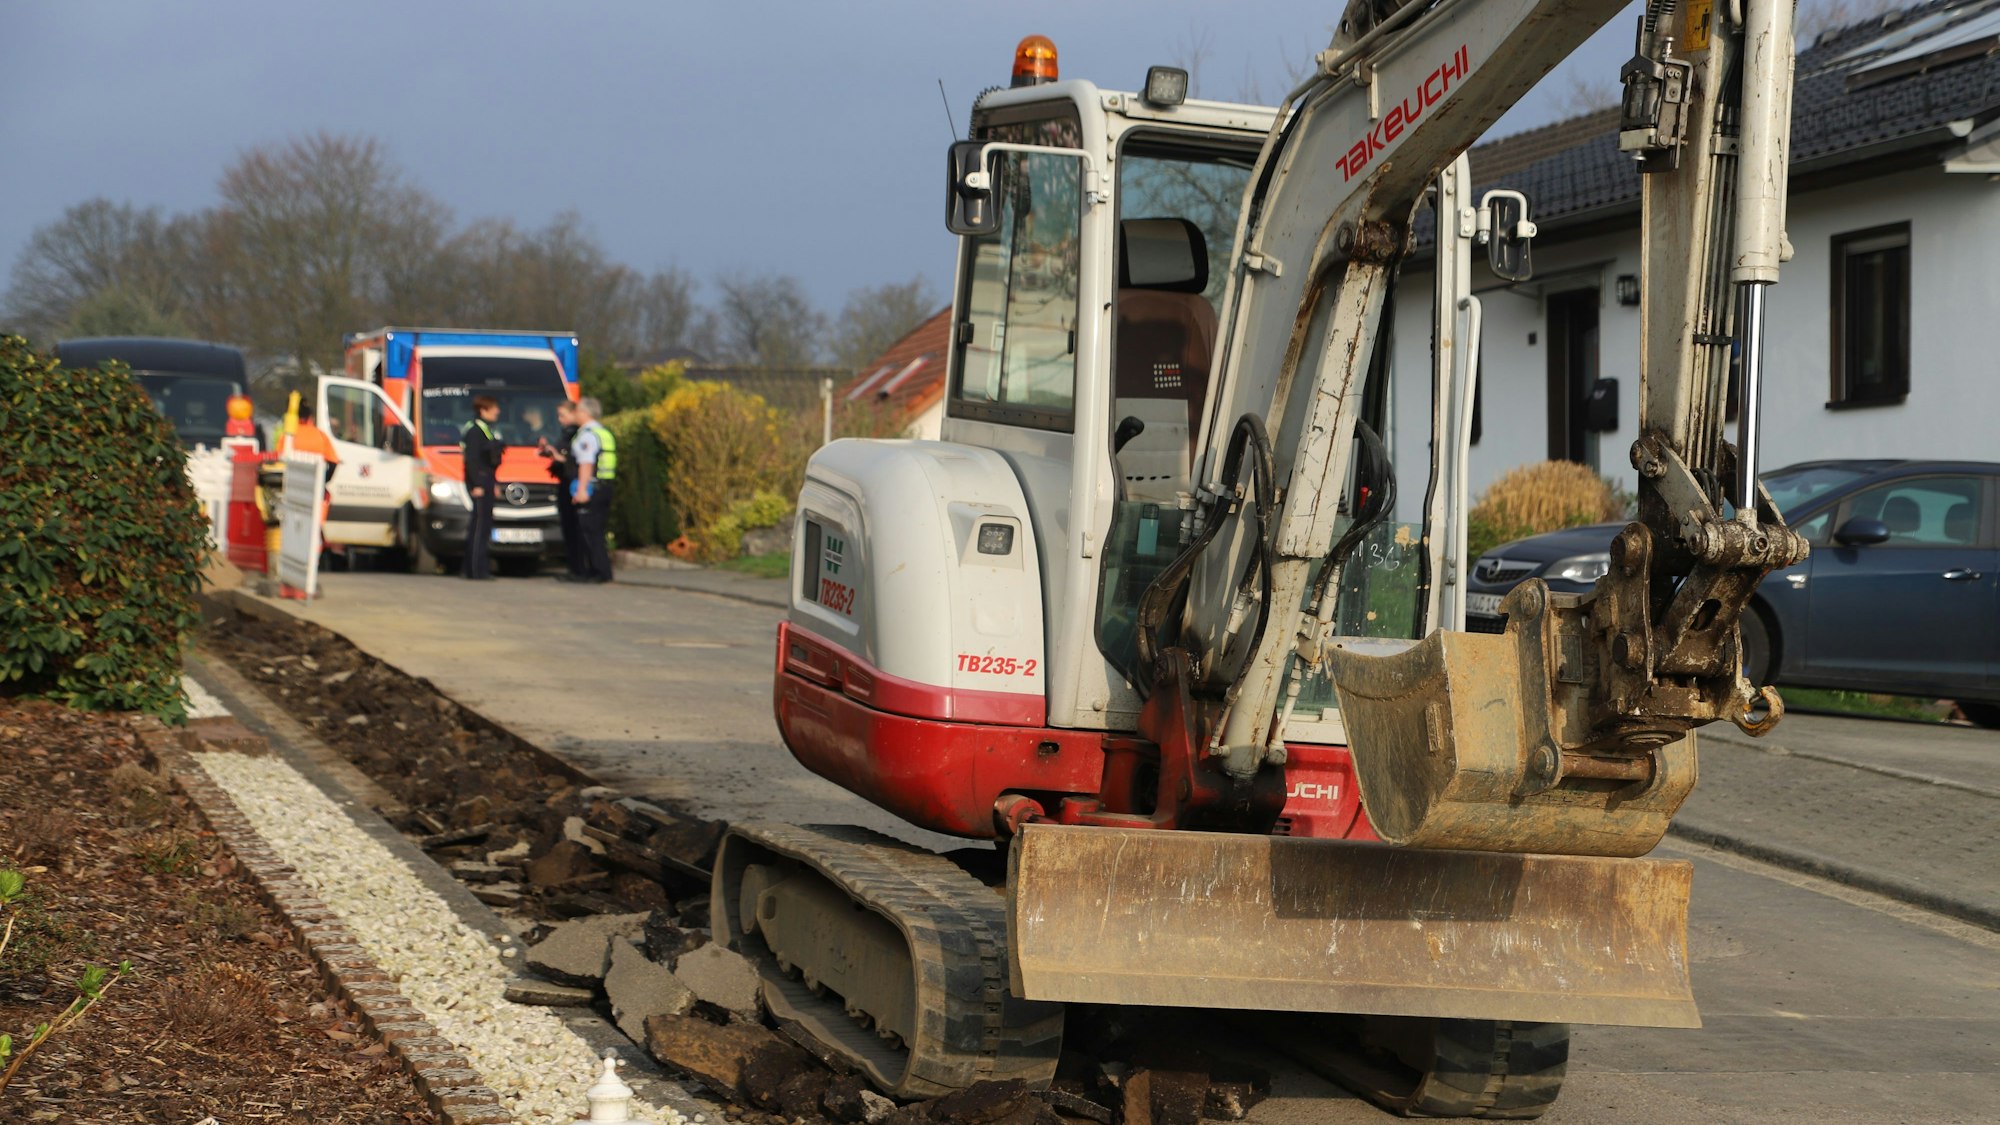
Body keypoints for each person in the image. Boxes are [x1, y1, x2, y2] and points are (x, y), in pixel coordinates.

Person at [568, 396, 617, 584]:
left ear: (585, 413)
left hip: (592, 488)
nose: (575, 414)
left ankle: (598, 571)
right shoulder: (603, 432)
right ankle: (600, 570)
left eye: (577, 411)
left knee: (589, 531)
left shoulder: (587, 435)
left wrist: (581, 491)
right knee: (597, 530)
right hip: (605, 485)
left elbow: (586, 464)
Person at [538, 400, 588, 580]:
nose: (560, 419)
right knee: (569, 529)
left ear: (574, 413)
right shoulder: (566, 433)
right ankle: (574, 568)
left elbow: (576, 461)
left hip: (572, 485)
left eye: (563, 415)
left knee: (576, 529)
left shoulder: (578, 434)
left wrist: (558, 457)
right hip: (564, 483)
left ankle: (579, 569)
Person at [460, 395, 504, 581]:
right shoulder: (475, 431)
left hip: (487, 481)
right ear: (483, 410)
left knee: (484, 526)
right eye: (494, 408)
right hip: (480, 483)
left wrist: (493, 484)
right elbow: (471, 460)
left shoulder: (486, 430)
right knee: (479, 527)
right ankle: (475, 570)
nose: (498, 411)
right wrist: (477, 484)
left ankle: (476, 567)